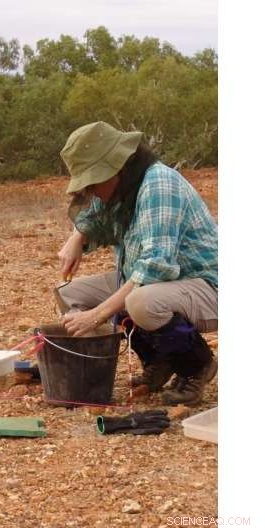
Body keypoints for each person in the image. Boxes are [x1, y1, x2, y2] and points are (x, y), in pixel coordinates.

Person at [55, 121, 218, 406]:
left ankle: (196, 365)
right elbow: (94, 218)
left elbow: (154, 268)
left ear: (117, 166)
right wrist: (76, 238)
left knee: (141, 302)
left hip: (207, 286)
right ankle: (159, 360)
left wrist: (96, 315)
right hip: (162, 282)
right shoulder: (124, 185)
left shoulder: (158, 184)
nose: (91, 191)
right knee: (70, 293)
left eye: (93, 182)